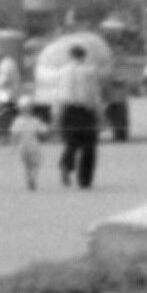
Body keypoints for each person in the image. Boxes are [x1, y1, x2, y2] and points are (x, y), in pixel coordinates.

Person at [55, 43, 102, 189]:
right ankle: (84, 180)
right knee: (89, 146)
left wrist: (56, 114)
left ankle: (66, 164)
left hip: (67, 109)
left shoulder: (62, 71)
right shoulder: (90, 71)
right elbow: (94, 93)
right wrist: (100, 114)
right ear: (83, 56)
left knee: (71, 141)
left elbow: (58, 93)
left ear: (70, 56)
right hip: (85, 110)